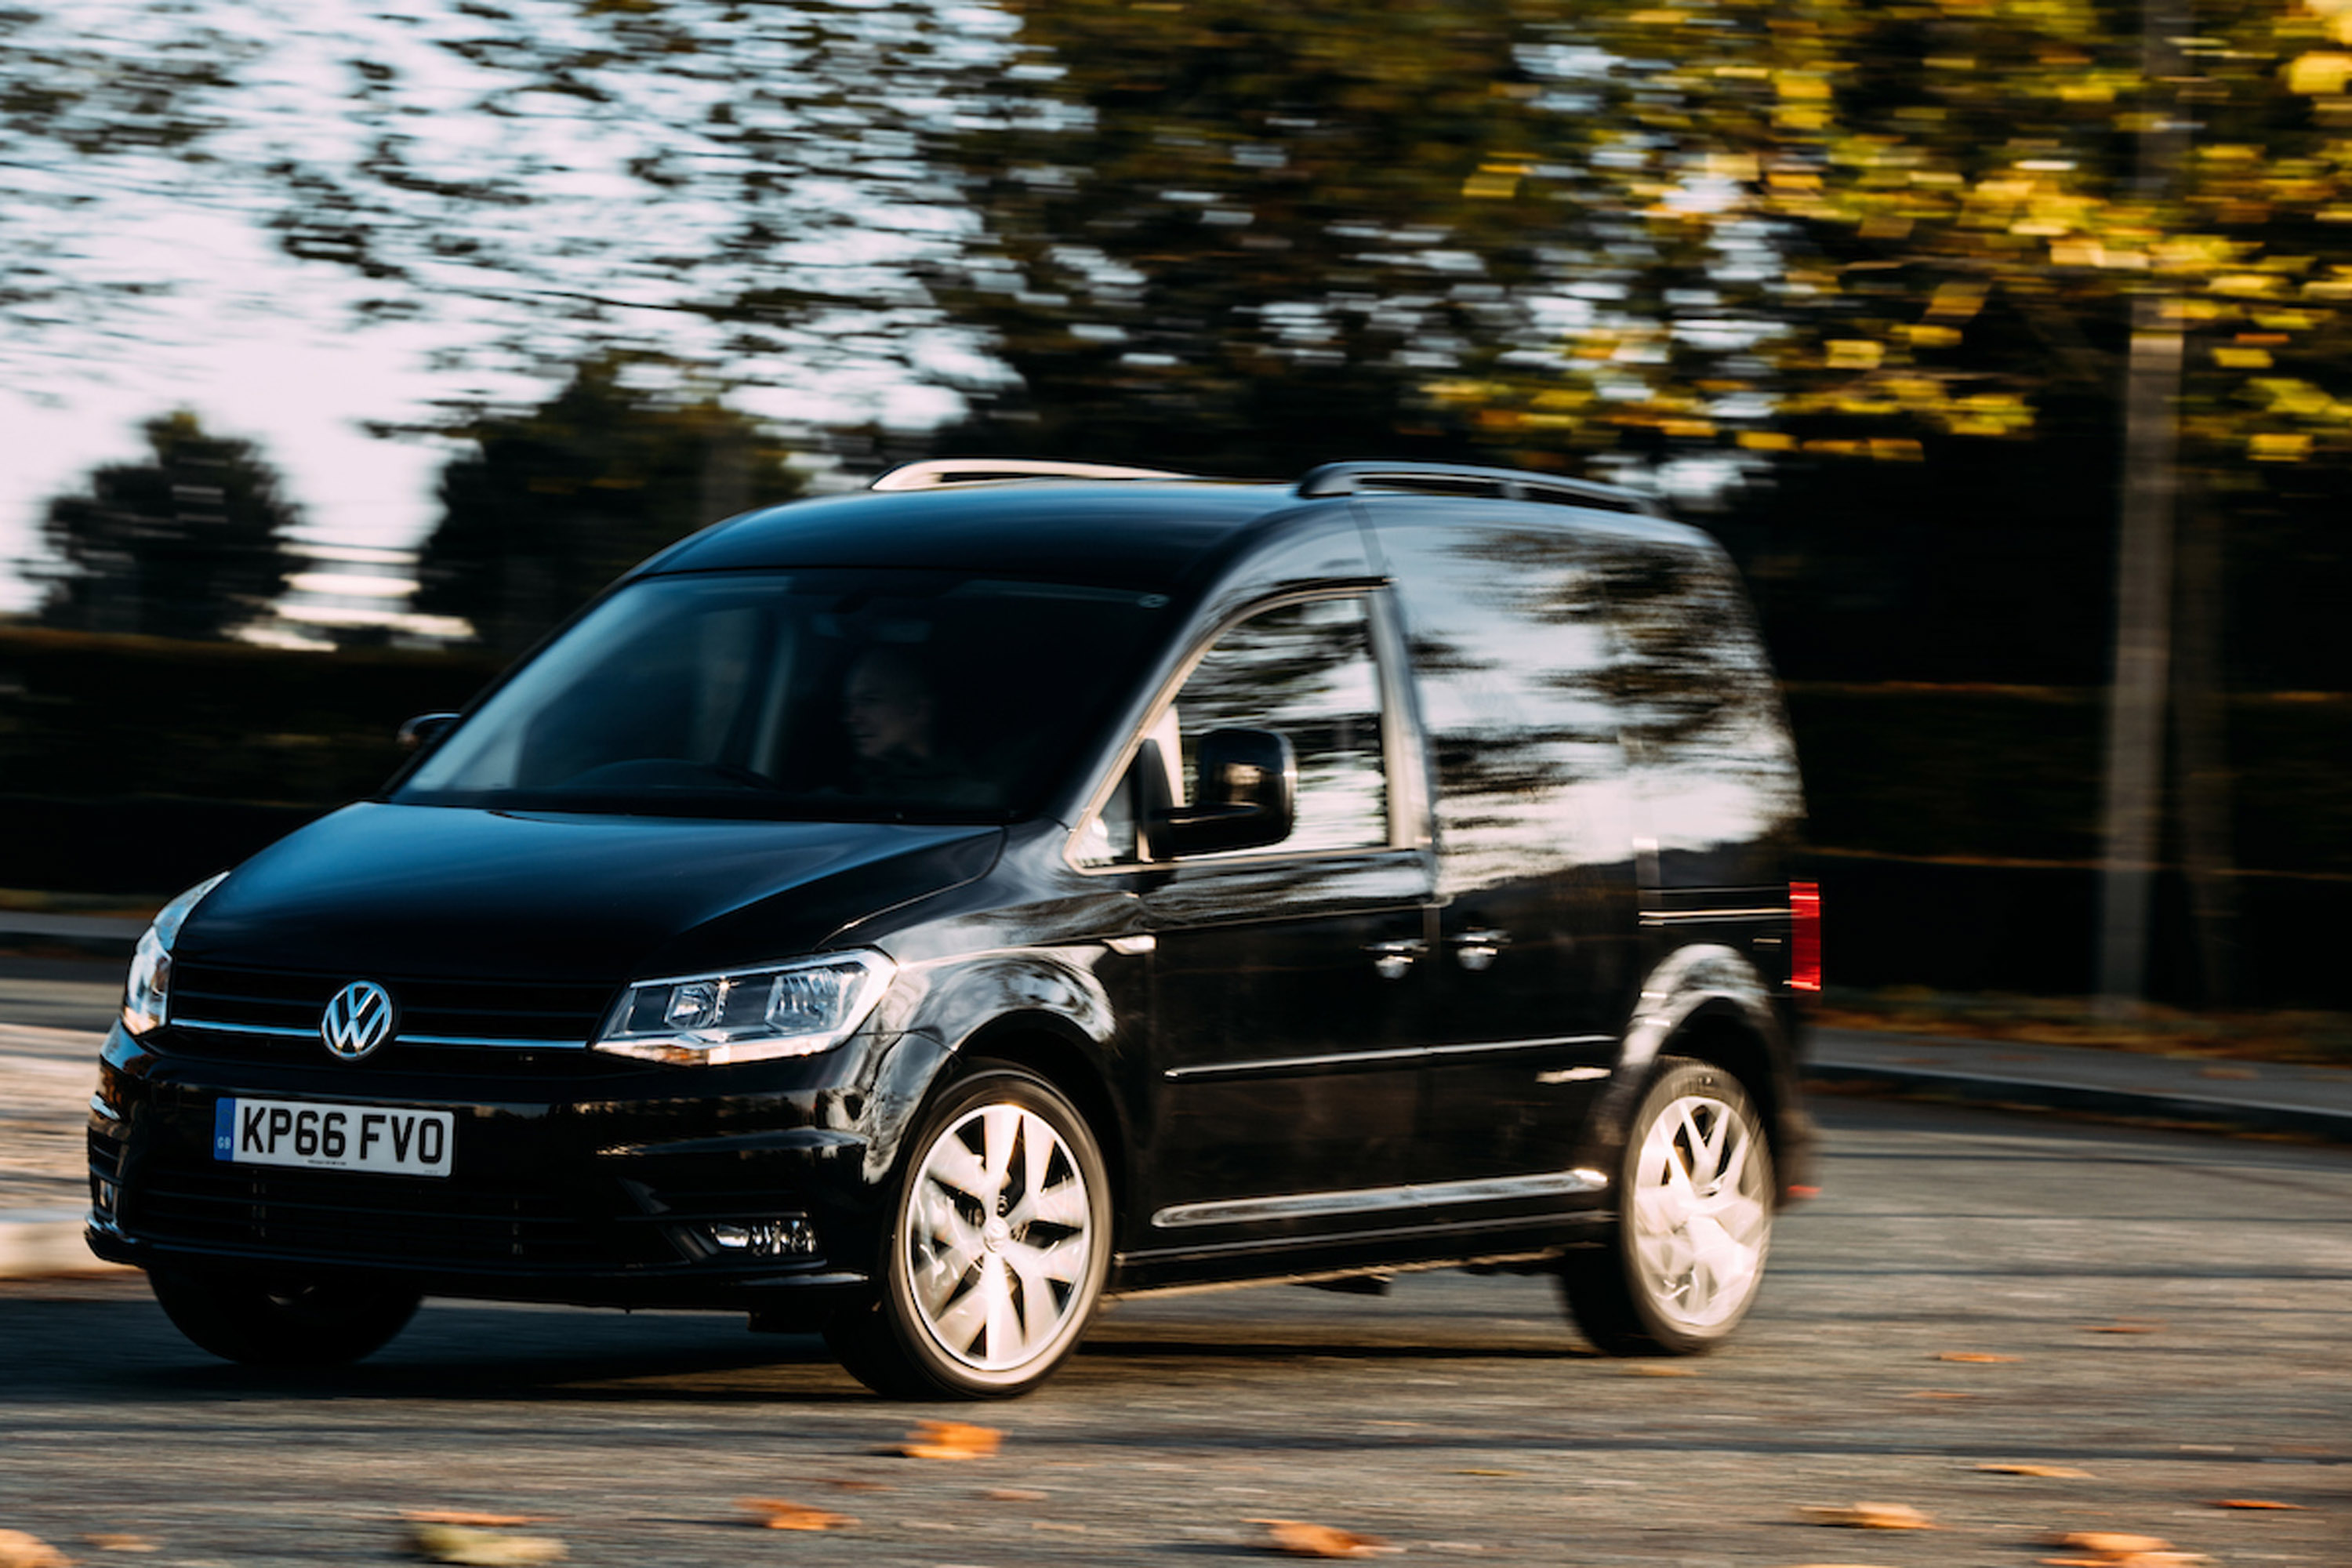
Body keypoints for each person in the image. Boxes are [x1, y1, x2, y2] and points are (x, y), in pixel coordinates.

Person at [839, 644, 993, 805]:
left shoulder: (972, 801)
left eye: (869, 700)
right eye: (850, 705)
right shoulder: (835, 799)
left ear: (918, 710)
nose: (852, 718)